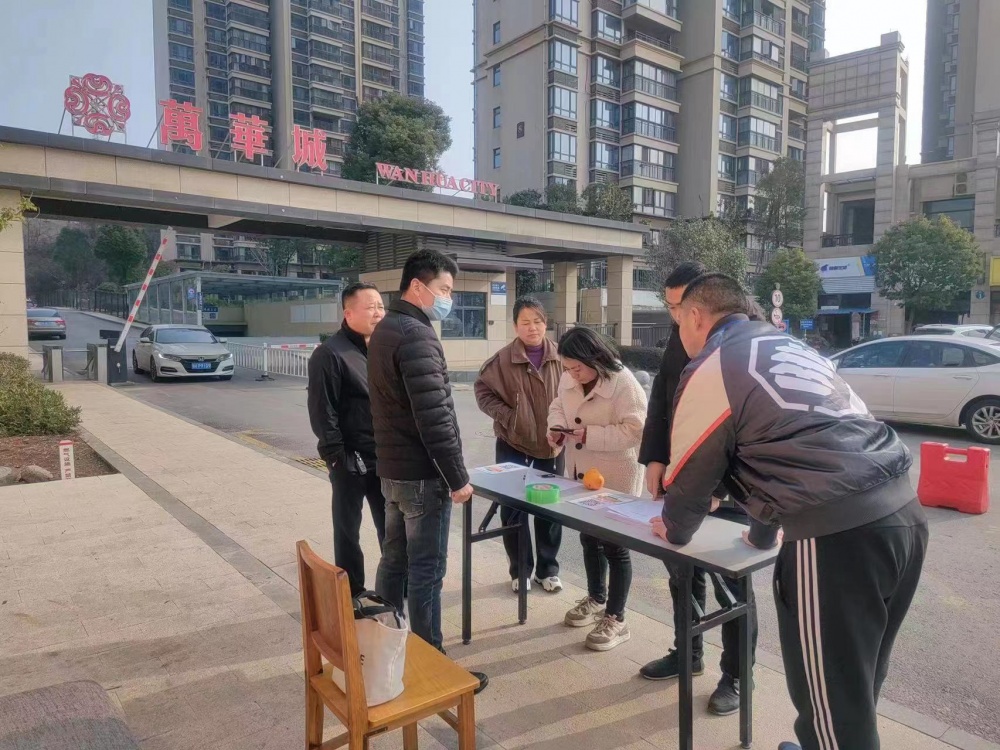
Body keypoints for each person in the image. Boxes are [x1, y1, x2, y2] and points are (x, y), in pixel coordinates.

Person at [651, 273, 928, 750]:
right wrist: (759, 535)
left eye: (678, 321)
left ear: (695, 316)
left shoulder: (715, 364)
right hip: (903, 510)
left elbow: (694, 471)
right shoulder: (792, 348)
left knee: (832, 704)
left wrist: (675, 528)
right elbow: (787, 447)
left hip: (837, 533)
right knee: (855, 681)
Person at [637, 262, 760, 718]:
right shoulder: (682, 334)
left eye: (681, 307)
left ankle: (737, 675)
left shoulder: (744, 339)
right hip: (685, 474)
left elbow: (746, 436)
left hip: (731, 485)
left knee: (733, 584)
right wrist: (655, 456)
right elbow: (663, 396)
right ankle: (687, 651)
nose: (676, 317)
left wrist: (719, 492)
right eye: (669, 307)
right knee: (681, 571)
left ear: (703, 303)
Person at [367, 249, 488, 691]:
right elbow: (434, 417)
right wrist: (457, 478)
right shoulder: (416, 335)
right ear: (418, 287)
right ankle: (432, 666)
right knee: (426, 571)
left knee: (394, 561)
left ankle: (384, 649)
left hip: (393, 471)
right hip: (422, 476)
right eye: (444, 289)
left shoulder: (385, 330)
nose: (448, 299)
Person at [548, 327, 648, 652]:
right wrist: (555, 428)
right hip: (582, 471)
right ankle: (595, 598)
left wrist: (590, 435)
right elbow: (558, 405)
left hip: (615, 474)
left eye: (577, 368)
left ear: (595, 358)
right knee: (588, 537)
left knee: (615, 546)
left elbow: (635, 430)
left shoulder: (624, 382)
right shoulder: (569, 376)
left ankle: (616, 618)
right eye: (567, 368)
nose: (572, 374)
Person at [474, 296, 565, 594]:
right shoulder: (501, 361)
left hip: (552, 445)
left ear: (546, 323)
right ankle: (520, 570)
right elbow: (482, 392)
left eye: (537, 321)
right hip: (512, 444)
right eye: (525, 322)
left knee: (549, 510)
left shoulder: (562, 356)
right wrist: (509, 417)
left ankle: (547, 570)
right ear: (515, 326)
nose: (532, 328)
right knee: (513, 510)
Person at [307, 282, 387, 597]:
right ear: (348, 313)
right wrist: (337, 458)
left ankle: (395, 585)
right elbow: (322, 411)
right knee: (347, 530)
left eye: (380, 306)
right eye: (370, 307)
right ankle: (352, 592)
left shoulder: (382, 349)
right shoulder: (330, 353)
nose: (378, 313)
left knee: (391, 527)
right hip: (348, 460)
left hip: (383, 457)